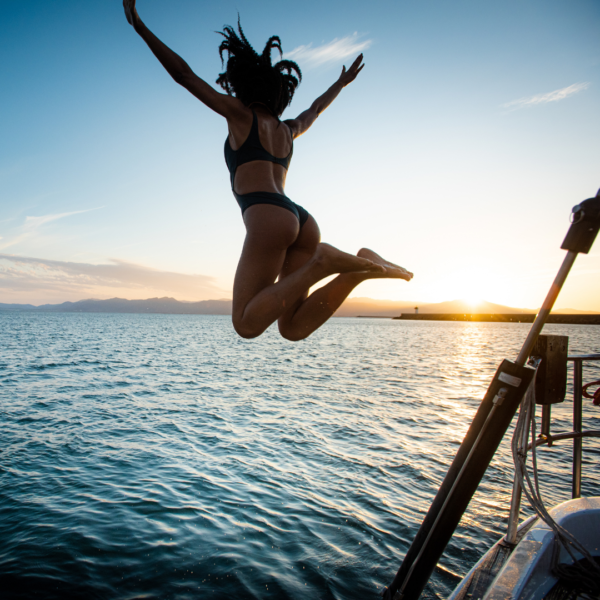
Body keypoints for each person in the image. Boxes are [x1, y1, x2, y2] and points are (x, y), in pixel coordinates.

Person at [123, 1, 413, 341]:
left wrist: (140, 27)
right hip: (302, 221)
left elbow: (185, 76)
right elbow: (315, 108)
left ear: (241, 85)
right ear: (279, 93)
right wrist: (341, 84)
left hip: (268, 217)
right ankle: (358, 268)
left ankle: (323, 262)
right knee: (292, 328)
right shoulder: (288, 129)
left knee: (245, 324)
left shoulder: (240, 116)